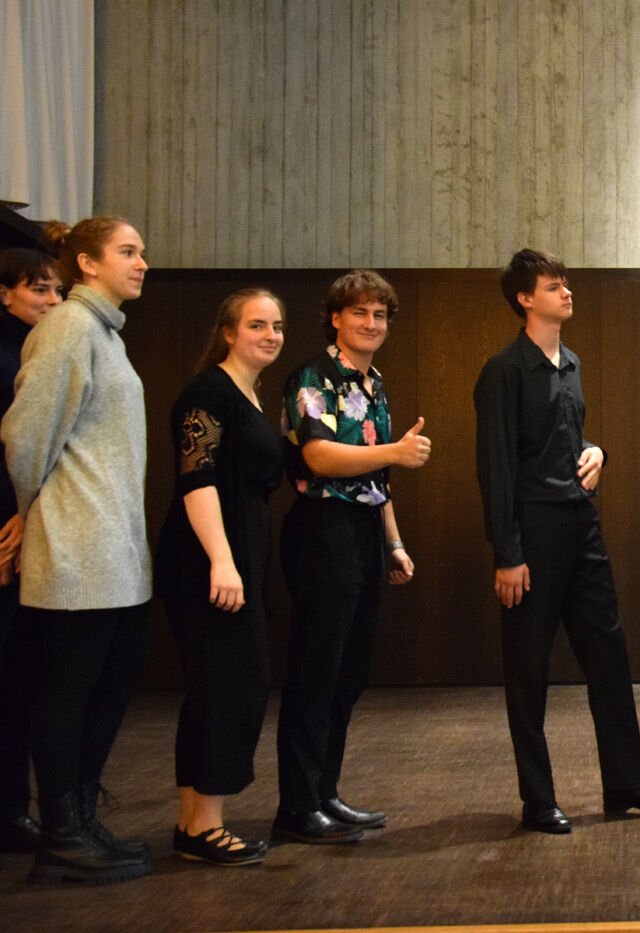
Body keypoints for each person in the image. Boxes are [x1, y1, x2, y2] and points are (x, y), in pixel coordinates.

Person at [474, 248, 640, 835]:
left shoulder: (571, 363)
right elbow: (495, 467)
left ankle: (626, 784)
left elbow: (568, 440)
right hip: (532, 530)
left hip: (581, 523)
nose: (567, 293)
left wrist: (598, 452)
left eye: (566, 284)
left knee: (608, 655)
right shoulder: (504, 370)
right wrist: (508, 553)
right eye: (553, 286)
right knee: (528, 669)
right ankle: (538, 800)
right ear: (524, 299)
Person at [1, 217, 153, 884]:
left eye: (141, 252)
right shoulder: (66, 326)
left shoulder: (105, 333)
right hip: (77, 543)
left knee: (109, 686)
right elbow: (26, 434)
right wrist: (31, 509)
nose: (142, 262)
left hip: (115, 547)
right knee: (67, 688)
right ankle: (62, 835)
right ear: (87, 263)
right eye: (128, 251)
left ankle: (82, 819)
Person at [274, 270, 430, 845]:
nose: (371, 323)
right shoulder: (313, 376)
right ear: (335, 318)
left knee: (350, 670)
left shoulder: (374, 382)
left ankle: (324, 794)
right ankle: (296, 808)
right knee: (316, 670)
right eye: (359, 313)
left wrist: (394, 542)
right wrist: (395, 451)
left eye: (380, 315)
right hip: (322, 529)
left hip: (364, 530)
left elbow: (376, 480)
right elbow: (319, 456)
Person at [153, 289, 287, 866]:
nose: (270, 335)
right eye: (256, 325)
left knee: (217, 690)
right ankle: (206, 825)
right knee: (232, 689)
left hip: (237, 557)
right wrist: (222, 561)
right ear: (228, 332)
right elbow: (196, 478)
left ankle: (193, 824)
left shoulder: (250, 395)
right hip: (208, 562)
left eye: (276, 326)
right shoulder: (208, 391)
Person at [0, 247, 62, 855]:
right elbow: (20, 443)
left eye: (56, 290)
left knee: (23, 675)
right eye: (38, 289)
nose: (52, 300)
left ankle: (17, 806)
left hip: (30, 522)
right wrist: (19, 508)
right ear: (5, 295)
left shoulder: (45, 350)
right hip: (8, 525)